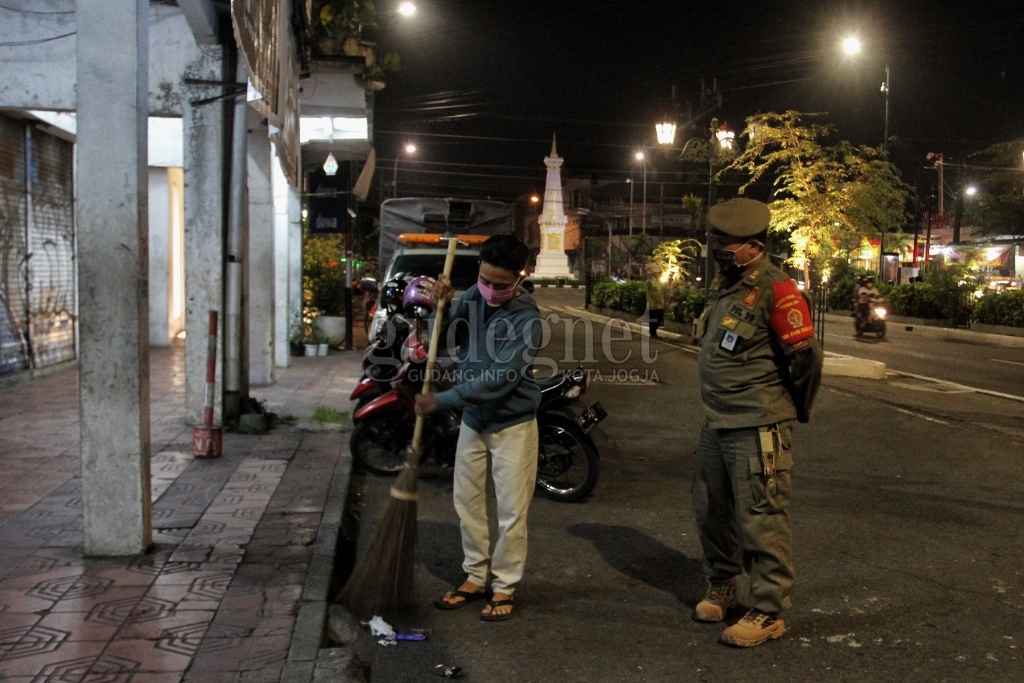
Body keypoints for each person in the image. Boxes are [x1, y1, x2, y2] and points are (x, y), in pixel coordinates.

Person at [691, 198, 823, 648]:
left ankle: (768, 610)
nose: (716, 251)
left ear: (752, 246)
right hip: (717, 419)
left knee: (761, 517)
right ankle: (723, 585)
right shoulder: (728, 283)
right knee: (711, 508)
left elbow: (805, 361)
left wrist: (790, 410)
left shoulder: (778, 289)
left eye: (723, 245)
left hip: (758, 421)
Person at [415, 234, 541, 622]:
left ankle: (504, 585)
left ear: (519, 279)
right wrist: (444, 302)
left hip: (512, 424)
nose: (490, 291)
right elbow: (444, 332)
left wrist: (442, 400)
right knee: (467, 501)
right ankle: (474, 576)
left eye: (500, 285)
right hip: (474, 420)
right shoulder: (474, 295)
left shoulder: (527, 319)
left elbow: (498, 381)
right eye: (485, 280)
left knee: (511, 510)